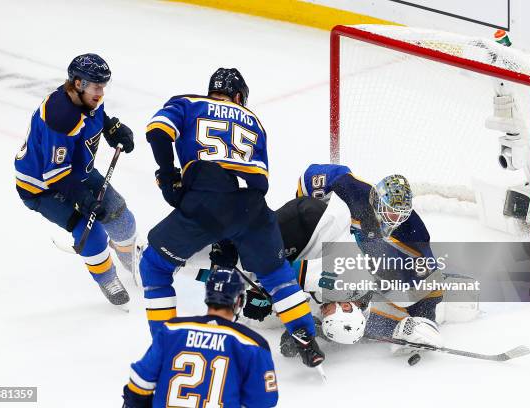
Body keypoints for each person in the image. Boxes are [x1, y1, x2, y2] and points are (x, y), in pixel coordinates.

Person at [140, 68, 323, 367]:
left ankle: (163, 346)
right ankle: (306, 339)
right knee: (277, 275)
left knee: (153, 267)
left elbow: (157, 131)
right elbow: (260, 183)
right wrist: (232, 232)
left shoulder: (187, 102)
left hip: (206, 202)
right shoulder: (255, 122)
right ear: (239, 98)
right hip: (252, 207)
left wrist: (168, 173)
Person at [211, 164, 458, 357]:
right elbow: (311, 177)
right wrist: (306, 207)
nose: (392, 220)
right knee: (306, 215)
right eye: (389, 211)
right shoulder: (352, 190)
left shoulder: (412, 231)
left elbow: (428, 277)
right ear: (376, 198)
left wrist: (425, 319)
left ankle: (318, 319)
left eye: (399, 216)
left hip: (350, 262)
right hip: (323, 243)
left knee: (358, 287)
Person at [14, 53, 137, 307]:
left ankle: (131, 259)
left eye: (104, 86)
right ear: (78, 84)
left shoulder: (88, 99)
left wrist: (112, 127)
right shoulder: (60, 118)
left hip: (77, 171)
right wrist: (84, 201)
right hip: (42, 187)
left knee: (121, 217)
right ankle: (107, 278)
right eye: (96, 86)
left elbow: (96, 115)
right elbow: (56, 175)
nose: (101, 92)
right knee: (89, 230)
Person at [121, 267, 278, 408]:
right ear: (238, 300)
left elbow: (139, 383)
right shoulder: (253, 344)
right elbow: (264, 401)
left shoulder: (172, 330)